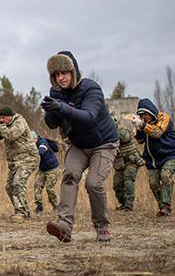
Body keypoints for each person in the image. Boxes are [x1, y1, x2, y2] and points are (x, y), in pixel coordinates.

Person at [41, 51, 119, 242]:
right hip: (78, 144)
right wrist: (51, 111)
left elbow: (88, 117)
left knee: (93, 183)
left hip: (104, 144)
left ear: (73, 71)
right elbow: (52, 124)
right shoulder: (56, 92)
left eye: (64, 73)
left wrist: (61, 107)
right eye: (56, 75)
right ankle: (64, 227)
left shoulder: (91, 88)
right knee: (69, 176)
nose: (61, 78)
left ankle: (102, 227)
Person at [131, 98, 175, 217]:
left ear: (151, 111)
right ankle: (161, 208)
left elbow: (157, 133)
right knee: (153, 183)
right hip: (153, 159)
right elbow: (140, 141)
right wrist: (137, 129)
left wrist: (142, 125)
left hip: (171, 154)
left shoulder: (164, 118)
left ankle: (166, 205)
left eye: (145, 114)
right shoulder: (144, 123)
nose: (144, 117)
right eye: (141, 115)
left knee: (165, 175)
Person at [0, 107, 39, 221]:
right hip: (15, 161)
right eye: (0, 118)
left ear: (10, 116)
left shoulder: (19, 122)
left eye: (3, 118)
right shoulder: (5, 124)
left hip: (28, 158)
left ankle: (20, 213)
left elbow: (11, 136)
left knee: (17, 183)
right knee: (9, 187)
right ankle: (24, 210)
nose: (1, 120)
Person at [112, 118, 144, 212]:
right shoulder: (106, 135)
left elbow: (123, 137)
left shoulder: (123, 131)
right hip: (120, 163)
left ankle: (129, 205)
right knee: (117, 184)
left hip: (132, 160)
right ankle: (123, 203)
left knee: (128, 179)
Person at [32, 131, 60, 215]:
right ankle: (39, 207)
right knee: (37, 186)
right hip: (42, 169)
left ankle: (56, 207)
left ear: (35, 139)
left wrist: (34, 152)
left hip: (52, 169)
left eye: (31, 140)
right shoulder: (32, 144)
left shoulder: (42, 143)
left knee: (49, 188)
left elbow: (42, 151)